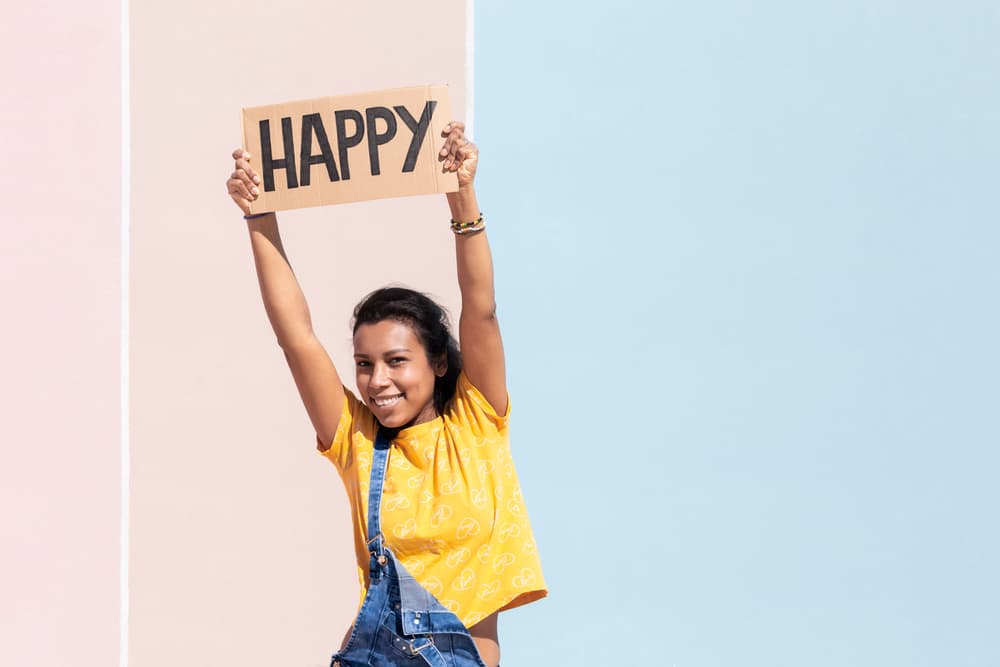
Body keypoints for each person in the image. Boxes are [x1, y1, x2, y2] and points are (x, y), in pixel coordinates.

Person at [226, 121, 546, 667]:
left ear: (439, 362)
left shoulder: (477, 418)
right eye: (364, 365)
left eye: (397, 361)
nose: (377, 381)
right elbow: (295, 336)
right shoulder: (358, 440)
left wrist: (462, 195)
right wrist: (258, 217)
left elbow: (481, 308)